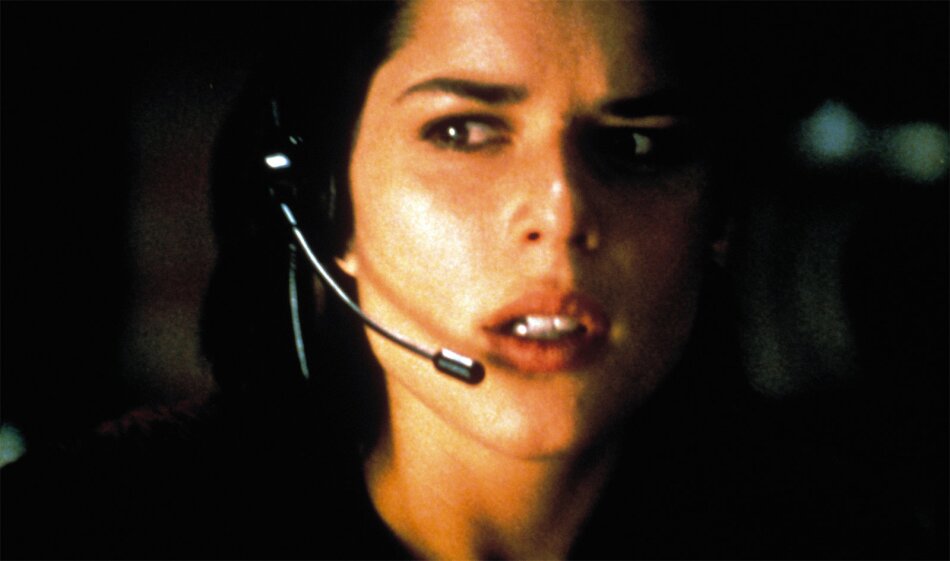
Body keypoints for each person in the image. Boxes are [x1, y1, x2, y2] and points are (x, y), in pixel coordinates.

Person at [2, 1, 942, 559]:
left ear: (719, 220)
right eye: (463, 132)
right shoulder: (84, 526)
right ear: (328, 204)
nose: (562, 211)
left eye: (637, 146)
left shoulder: (853, 536)